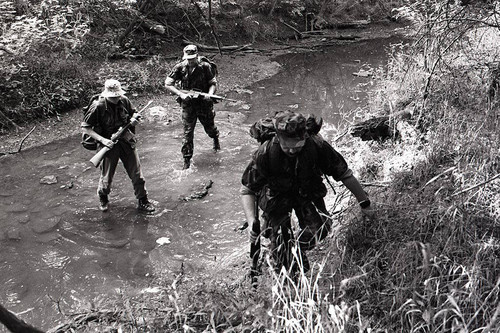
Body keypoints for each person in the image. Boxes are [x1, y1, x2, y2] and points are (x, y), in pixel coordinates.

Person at [240, 110, 374, 271]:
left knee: (321, 228)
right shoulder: (266, 152)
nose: (291, 151)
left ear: (304, 137)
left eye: (296, 146)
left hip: (306, 190)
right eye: (286, 147)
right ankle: (282, 254)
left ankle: (296, 249)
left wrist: (364, 203)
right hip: (276, 195)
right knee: (283, 250)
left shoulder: (316, 145)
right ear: (278, 139)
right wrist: (251, 221)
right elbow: (247, 189)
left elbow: (344, 174)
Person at [81, 79, 155, 213]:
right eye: (112, 97)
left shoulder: (125, 100)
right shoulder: (97, 106)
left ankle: (143, 201)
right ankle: (103, 197)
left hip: (126, 141)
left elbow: (134, 114)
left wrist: (134, 121)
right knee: (107, 177)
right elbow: (86, 128)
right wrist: (103, 140)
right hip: (108, 144)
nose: (115, 99)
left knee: (137, 175)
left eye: (117, 96)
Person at [164, 44, 220, 170]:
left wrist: (210, 95)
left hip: (204, 104)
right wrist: (180, 94)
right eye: (188, 59)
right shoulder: (180, 67)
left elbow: (213, 83)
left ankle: (215, 139)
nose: (191, 61)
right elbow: (168, 84)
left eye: (193, 58)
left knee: (210, 129)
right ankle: (186, 160)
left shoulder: (205, 66)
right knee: (187, 133)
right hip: (188, 105)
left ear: (197, 56)